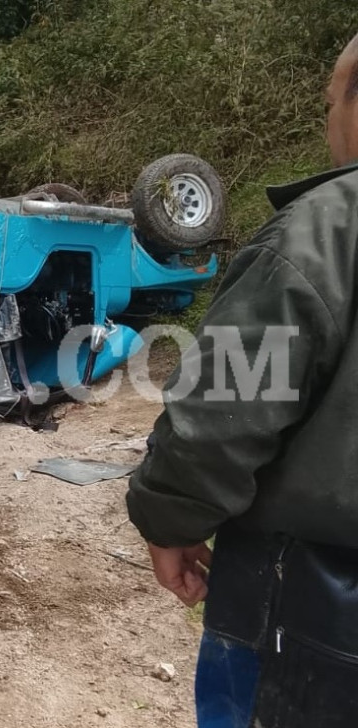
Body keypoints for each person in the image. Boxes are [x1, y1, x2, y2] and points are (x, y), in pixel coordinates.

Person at [126, 33, 358, 727]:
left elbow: (223, 410)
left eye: (327, 104)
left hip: (313, 605)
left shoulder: (325, 232)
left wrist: (169, 518)